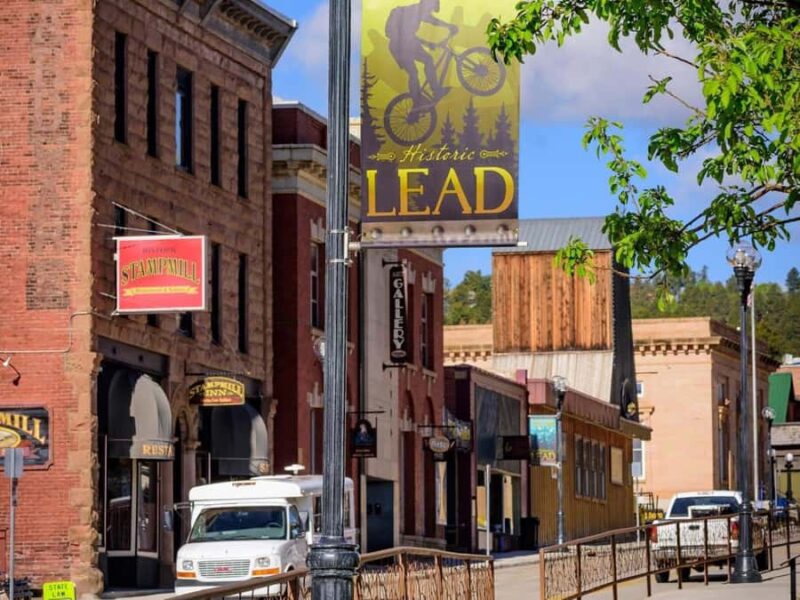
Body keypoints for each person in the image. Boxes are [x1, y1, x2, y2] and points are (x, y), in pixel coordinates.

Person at [385, 0, 458, 108]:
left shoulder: (417, 11)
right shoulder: (412, 12)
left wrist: (448, 26)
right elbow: (406, 35)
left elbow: (432, 20)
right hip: (401, 46)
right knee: (418, 69)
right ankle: (422, 98)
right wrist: (429, 43)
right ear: (426, 4)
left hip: (403, 45)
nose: (430, 11)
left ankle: (423, 97)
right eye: (430, 8)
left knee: (421, 67)